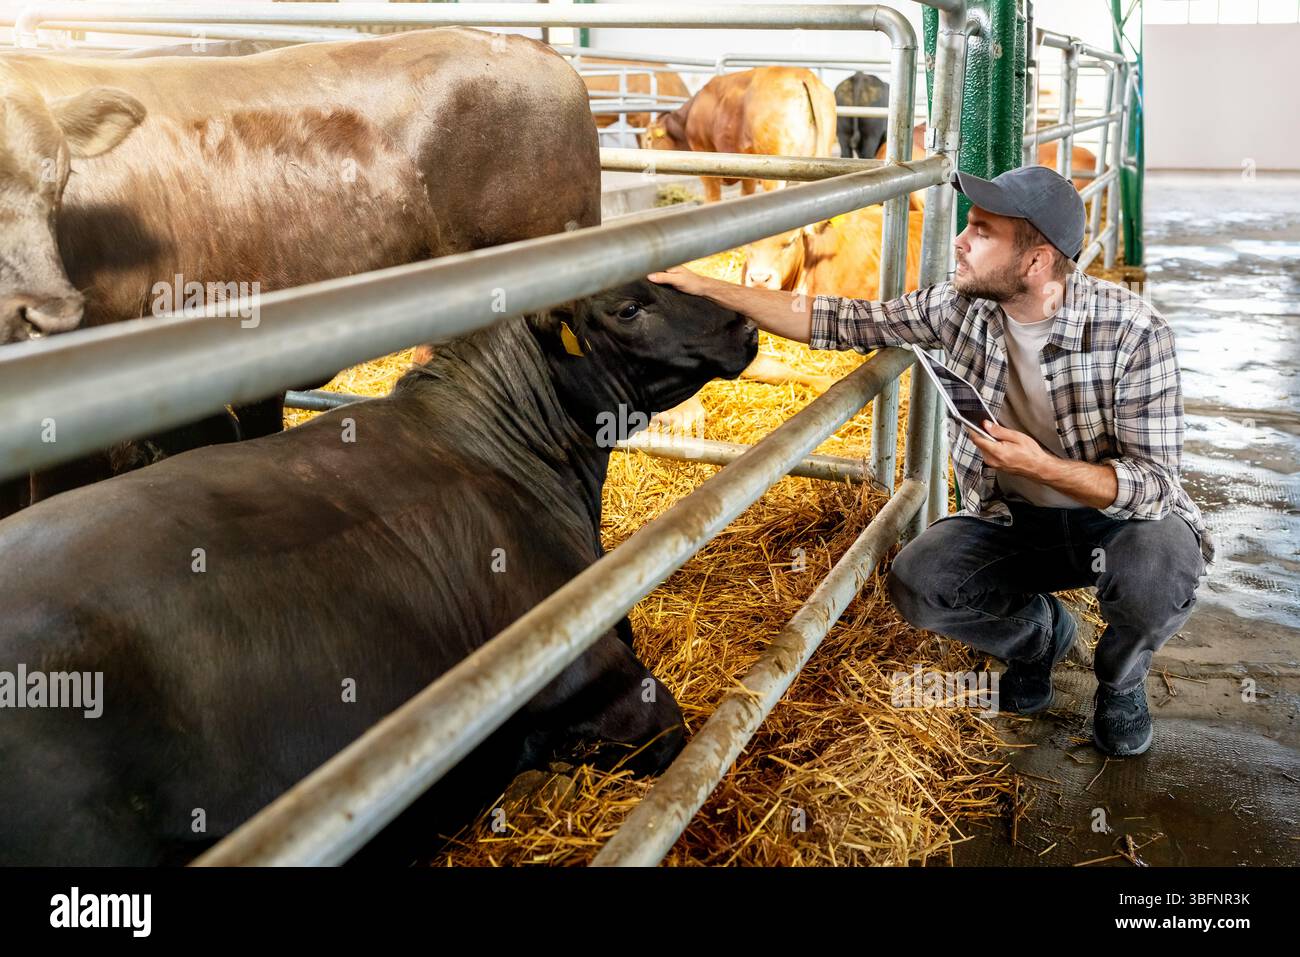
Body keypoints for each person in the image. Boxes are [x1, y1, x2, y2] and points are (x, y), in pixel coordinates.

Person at [647, 165, 1213, 757]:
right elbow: (838, 319)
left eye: (982, 231)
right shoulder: (961, 307)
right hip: (1014, 522)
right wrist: (709, 289)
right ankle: (1037, 638)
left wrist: (1043, 465)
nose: (960, 242)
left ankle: (1120, 682)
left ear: (1037, 261)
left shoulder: (1134, 331)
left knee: (1161, 567)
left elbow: (1153, 486)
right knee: (920, 583)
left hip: (1118, 525)